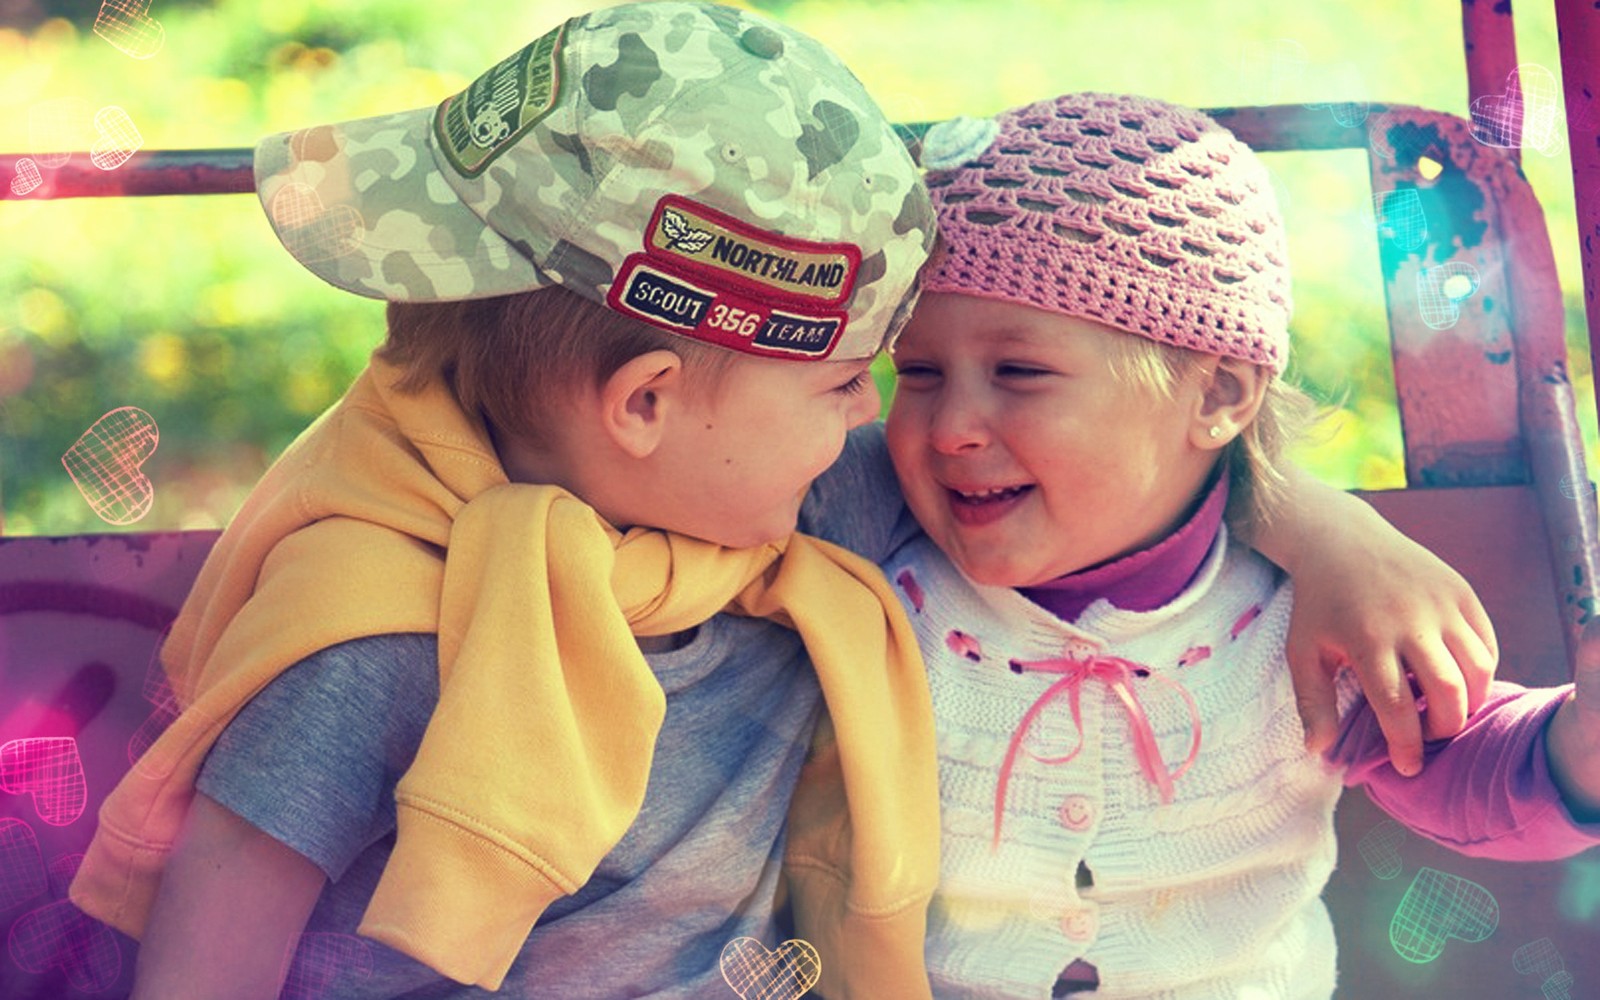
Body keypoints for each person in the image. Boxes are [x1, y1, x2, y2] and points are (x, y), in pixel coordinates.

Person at [69, 7, 1494, 995]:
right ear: (646, 407)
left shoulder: (776, 506)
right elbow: (218, 931)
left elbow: (1136, 466)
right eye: (853, 386)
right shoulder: (383, 627)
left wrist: (1326, 525)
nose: (900, 434)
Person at [858, 91, 1600, 999]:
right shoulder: (870, 585)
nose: (950, 428)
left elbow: (1458, 759)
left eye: (1020, 373)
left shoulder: (1299, 618)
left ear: (1217, 398)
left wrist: (1578, 748)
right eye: (918, 373)